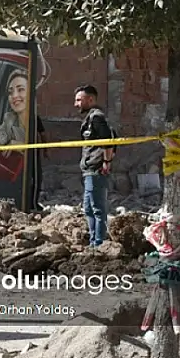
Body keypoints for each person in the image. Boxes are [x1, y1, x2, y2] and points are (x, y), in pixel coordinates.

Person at [74, 85, 115, 247]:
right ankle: (93, 242)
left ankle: (99, 243)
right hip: (89, 170)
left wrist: (106, 162)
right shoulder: (91, 118)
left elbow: (109, 141)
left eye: (79, 100)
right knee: (89, 209)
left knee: (97, 209)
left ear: (90, 99)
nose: (76, 104)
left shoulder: (97, 117)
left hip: (96, 170)